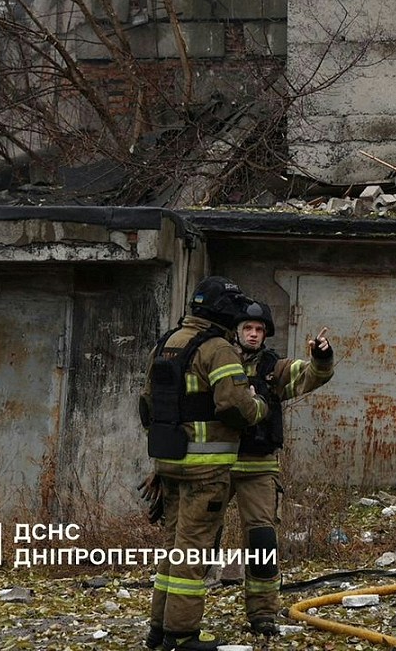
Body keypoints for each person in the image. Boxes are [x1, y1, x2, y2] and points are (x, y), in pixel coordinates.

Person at [141, 276, 267, 651]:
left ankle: (158, 631)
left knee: (172, 549)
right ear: (222, 311)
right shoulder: (217, 349)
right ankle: (182, 636)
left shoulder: (167, 344)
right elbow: (236, 405)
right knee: (192, 553)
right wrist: (258, 405)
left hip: (170, 463)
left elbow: (147, 403)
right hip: (206, 469)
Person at [226, 299, 335, 636]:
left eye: (259, 330)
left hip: (258, 464)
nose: (254, 334)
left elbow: (311, 375)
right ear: (237, 331)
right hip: (214, 463)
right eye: (248, 328)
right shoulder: (217, 359)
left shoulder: (273, 369)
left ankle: (262, 614)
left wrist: (321, 355)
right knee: (200, 540)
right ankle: (185, 617)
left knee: (262, 539)